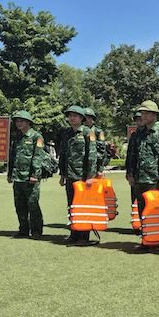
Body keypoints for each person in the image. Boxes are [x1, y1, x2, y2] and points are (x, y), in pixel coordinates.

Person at [126, 101, 159, 250]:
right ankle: (146, 239)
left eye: (147, 113)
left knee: (153, 210)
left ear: (154, 115)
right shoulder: (137, 133)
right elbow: (132, 155)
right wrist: (130, 173)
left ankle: (155, 240)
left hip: (154, 178)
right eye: (142, 113)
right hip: (140, 177)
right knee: (142, 209)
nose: (143, 116)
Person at [59, 105, 98, 245]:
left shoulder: (88, 133)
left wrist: (89, 176)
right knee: (72, 206)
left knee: (83, 207)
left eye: (75, 116)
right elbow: (63, 155)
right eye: (70, 116)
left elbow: (92, 156)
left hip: (82, 177)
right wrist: (62, 174)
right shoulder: (66, 133)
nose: (72, 118)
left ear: (82, 118)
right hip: (70, 176)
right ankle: (73, 233)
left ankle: (83, 236)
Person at [9, 110, 45, 238]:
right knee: (19, 205)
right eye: (17, 121)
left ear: (28, 122)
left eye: (22, 121)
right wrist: (10, 174)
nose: (19, 123)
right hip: (18, 177)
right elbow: (12, 156)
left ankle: (36, 231)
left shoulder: (36, 136)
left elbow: (37, 156)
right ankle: (23, 230)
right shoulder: (16, 137)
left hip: (30, 177)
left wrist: (35, 174)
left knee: (33, 204)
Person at [83, 107, 107, 177]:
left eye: (89, 117)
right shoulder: (80, 131)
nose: (86, 120)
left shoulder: (98, 132)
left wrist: (100, 169)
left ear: (92, 119)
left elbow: (101, 151)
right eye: (84, 117)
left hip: (94, 166)